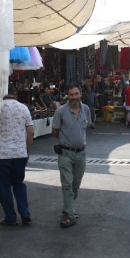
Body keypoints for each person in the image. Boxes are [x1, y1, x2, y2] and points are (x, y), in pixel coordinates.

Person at [0, 84, 34, 226]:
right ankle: (25, 213)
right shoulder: (23, 108)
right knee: (19, 184)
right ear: (15, 93)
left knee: (4, 187)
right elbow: (31, 132)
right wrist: (26, 150)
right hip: (19, 154)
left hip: (1, 155)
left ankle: (10, 217)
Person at [52, 84, 92, 228]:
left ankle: (69, 207)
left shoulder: (86, 109)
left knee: (76, 184)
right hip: (65, 153)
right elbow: (55, 131)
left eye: (76, 94)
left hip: (81, 154)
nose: (74, 97)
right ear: (67, 96)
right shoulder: (60, 112)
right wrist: (66, 140)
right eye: (71, 95)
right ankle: (69, 214)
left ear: (80, 94)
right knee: (67, 183)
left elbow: (86, 127)